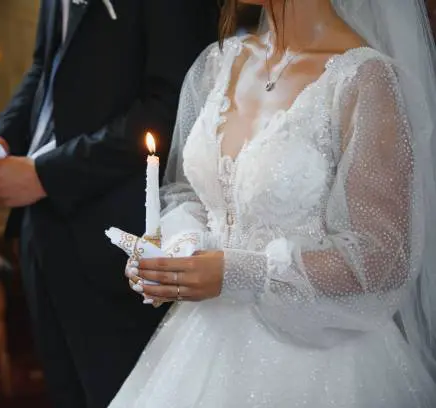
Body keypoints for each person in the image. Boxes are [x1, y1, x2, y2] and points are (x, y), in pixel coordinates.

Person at [112, 0, 436, 406]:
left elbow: (380, 255)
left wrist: (240, 271)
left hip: (317, 359)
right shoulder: (219, 61)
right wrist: (171, 256)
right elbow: (193, 194)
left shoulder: (364, 79)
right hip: (201, 339)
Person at [0, 1, 219, 407]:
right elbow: (45, 68)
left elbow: (167, 108)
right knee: (65, 389)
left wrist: (44, 175)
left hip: (117, 234)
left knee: (119, 391)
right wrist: (0, 142)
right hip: (39, 222)